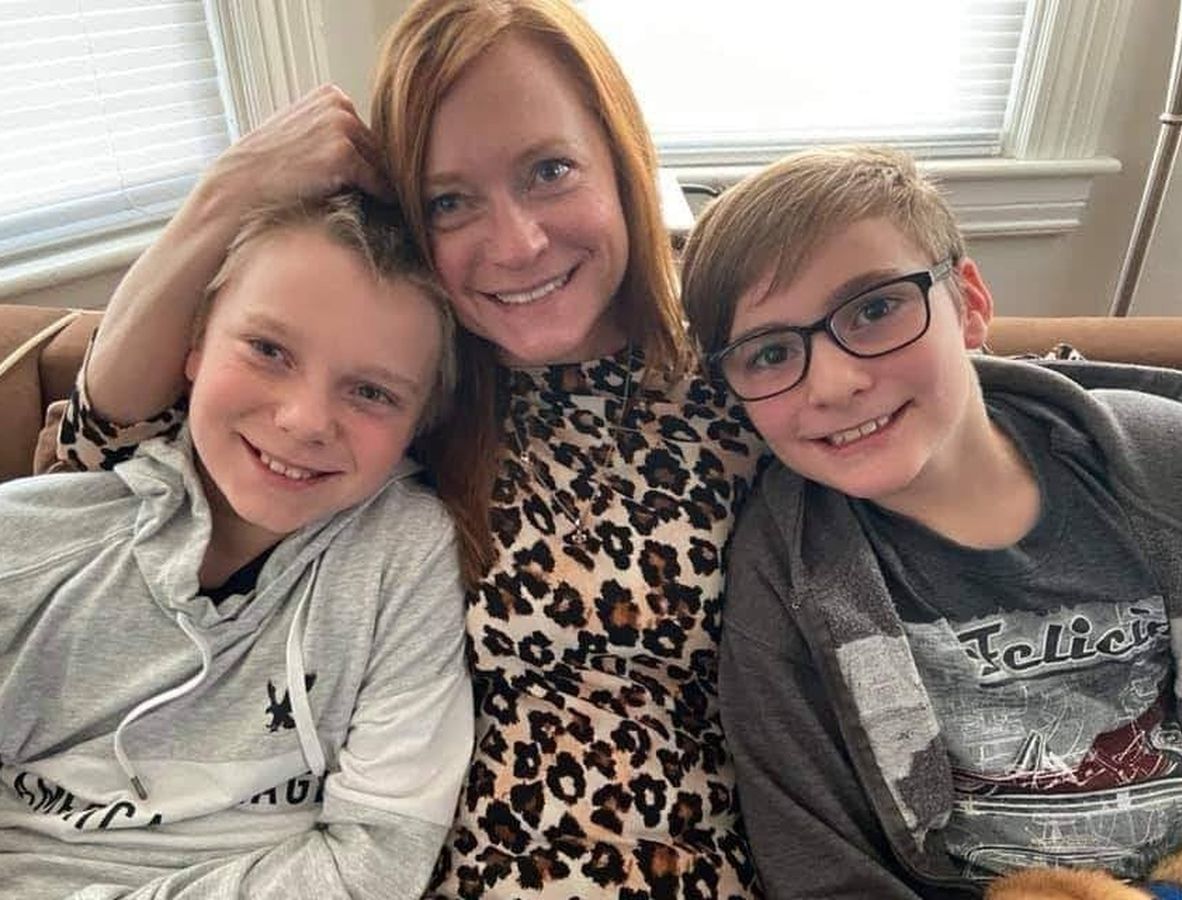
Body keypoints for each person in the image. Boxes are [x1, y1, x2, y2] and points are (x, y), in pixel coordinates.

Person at [40, 0, 766, 895]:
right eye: (450, 201)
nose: (517, 243)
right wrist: (227, 191)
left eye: (549, 170)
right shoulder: (402, 381)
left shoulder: (741, 374)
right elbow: (98, 456)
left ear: (620, 159)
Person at [681, 146, 1182, 899]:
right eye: (769, 353)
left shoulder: (1167, 464)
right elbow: (819, 864)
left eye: (874, 309)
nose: (835, 382)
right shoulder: (784, 570)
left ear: (969, 304)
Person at [0, 192, 474, 898]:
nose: (306, 420)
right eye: (269, 350)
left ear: (420, 422)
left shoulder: (403, 558)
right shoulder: (26, 542)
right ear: (194, 345)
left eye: (372, 393)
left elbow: (378, 856)